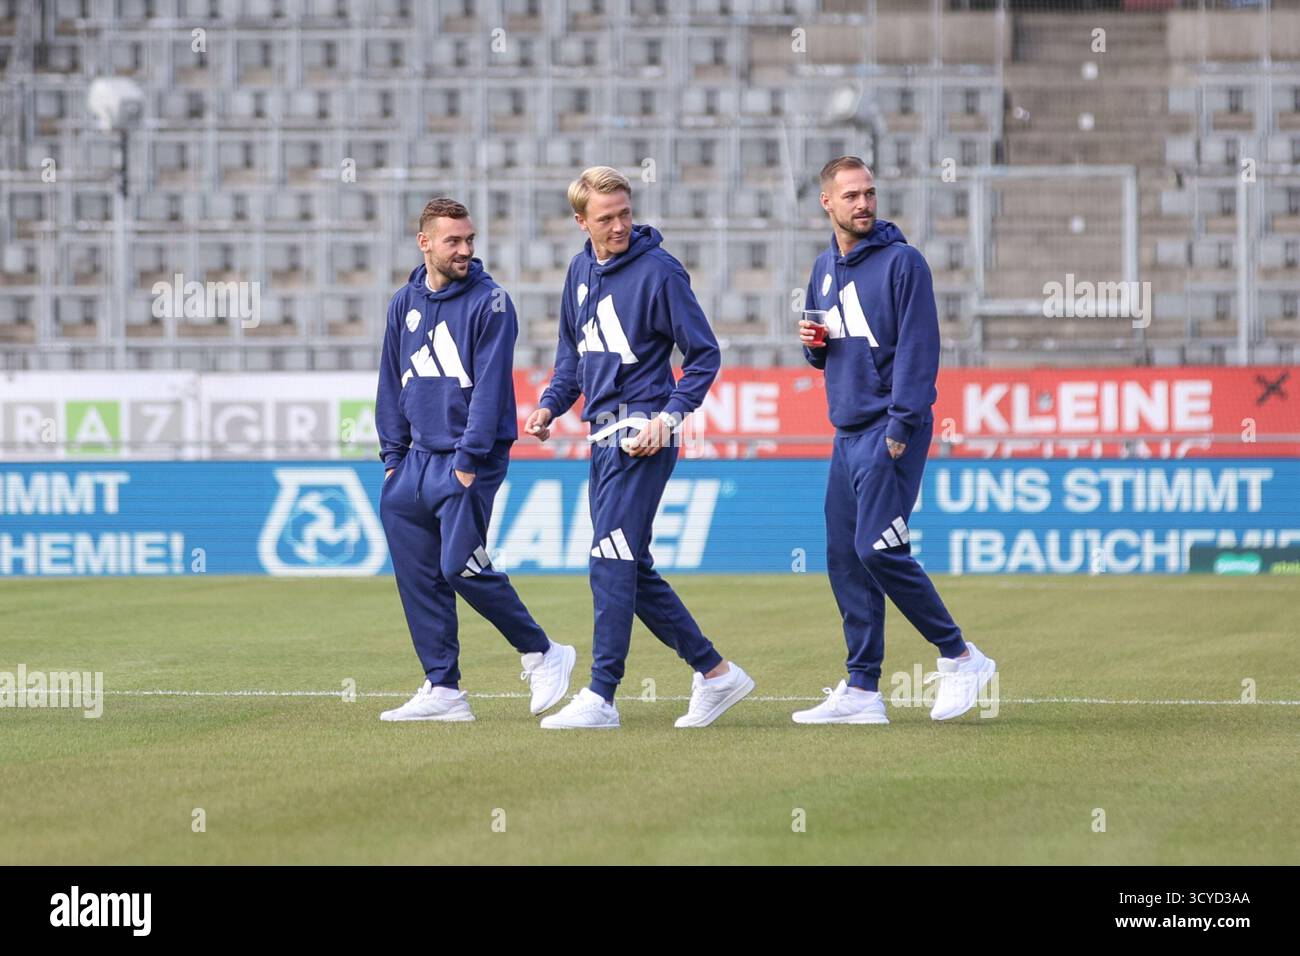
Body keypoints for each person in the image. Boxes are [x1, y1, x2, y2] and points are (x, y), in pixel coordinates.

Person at [525, 166, 754, 729]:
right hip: (599, 436)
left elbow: (703, 355)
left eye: (626, 212)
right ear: (582, 221)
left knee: (609, 560)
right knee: (629, 566)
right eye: (607, 218)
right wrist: (551, 405)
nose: (621, 224)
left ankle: (602, 695)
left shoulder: (660, 271)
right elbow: (572, 360)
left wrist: (670, 418)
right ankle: (716, 672)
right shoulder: (578, 271)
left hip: (641, 434)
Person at [792, 157, 997, 725]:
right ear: (827, 204)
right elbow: (823, 352)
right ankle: (862, 691)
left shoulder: (904, 263)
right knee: (843, 559)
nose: (864, 204)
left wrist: (903, 427)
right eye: (852, 195)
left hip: (889, 428)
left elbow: (918, 350)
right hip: (846, 430)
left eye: (870, 193)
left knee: (877, 549)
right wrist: (813, 343)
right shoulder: (822, 269)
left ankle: (961, 656)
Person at [375, 197, 575, 722]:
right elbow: (389, 382)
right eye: (453, 241)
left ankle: (543, 651)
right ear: (425, 244)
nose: (465, 250)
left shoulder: (491, 303)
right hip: (412, 463)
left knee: (460, 565)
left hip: (468, 459)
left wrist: (466, 461)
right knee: (420, 576)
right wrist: (393, 460)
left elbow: (490, 390)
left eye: (470, 240)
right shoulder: (403, 303)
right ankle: (443, 689)